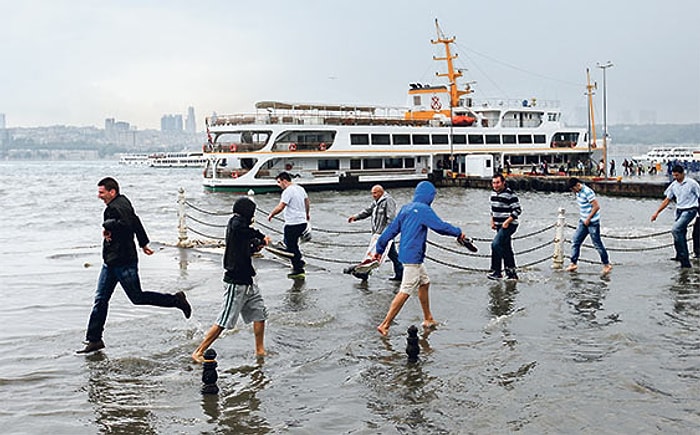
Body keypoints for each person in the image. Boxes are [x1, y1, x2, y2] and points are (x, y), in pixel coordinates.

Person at [77, 177, 191, 354]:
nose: (98, 196)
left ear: (112, 192)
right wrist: (143, 243)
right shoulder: (121, 202)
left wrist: (108, 225)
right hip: (110, 262)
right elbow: (136, 221)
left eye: (101, 192)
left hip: (123, 261)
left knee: (137, 297)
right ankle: (94, 339)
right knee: (100, 299)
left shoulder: (117, 206)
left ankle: (176, 300)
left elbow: (128, 224)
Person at [372, 181, 467, 336]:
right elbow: (440, 227)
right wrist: (458, 232)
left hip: (406, 253)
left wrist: (379, 248)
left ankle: (428, 318)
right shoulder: (424, 210)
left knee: (424, 282)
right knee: (405, 290)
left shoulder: (406, 208)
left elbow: (391, 230)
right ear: (429, 196)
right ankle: (385, 324)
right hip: (413, 257)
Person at [192, 197, 270, 362]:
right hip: (235, 282)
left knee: (260, 314)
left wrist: (257, 244)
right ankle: (199, 351)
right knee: (224, 321)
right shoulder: (235, 224)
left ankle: (260, 350)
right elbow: (243, 230)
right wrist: (261, 237)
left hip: (249, 280)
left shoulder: (241, 228)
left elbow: (247, 245)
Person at [347, 185, 403, 281]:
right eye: (372, 193)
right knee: (389, 255)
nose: (373, 195)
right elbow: (367, 211)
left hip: (384, 235)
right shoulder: (376, 202)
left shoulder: (388, 201)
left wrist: (388, 234)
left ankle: (364, 272)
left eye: (375, 193)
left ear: (381, 192)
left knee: (377, 255)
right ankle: (400, 274)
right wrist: (356, 217)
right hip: (377, 234)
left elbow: (391, 218)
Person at [651, 164, 700, 269]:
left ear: (683, 174)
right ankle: (679, 256)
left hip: (690, 210)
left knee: (676, 230)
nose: (675, 178)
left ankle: (685, 261)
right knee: (680, 233)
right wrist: (657, 213)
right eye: (674, 176)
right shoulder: (674, 185)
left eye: (677, 175)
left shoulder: (692, 184)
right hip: (679, 210)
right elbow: (667, 200)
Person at [565, 178, 613, 274]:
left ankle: (607, 264)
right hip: (583, 221)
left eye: (573, 189)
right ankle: (573, 263)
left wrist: (589, 218)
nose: (573, 191)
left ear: (577, 185)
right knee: (575, 241)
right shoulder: (578, 192)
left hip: (592, 222)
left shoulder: (587, 191)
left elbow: (596, 206)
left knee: (597, 244)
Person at [268, 171, 310, 279]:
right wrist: (307, 214)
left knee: (290, 246)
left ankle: (298, 269)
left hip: (292, 222)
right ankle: (299, 261)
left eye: (279, 182)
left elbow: (281, 206)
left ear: (284, 180)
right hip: (302, 221)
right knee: (292, 244)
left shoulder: (288, 191)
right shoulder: (300, 188)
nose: (279, 185)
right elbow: (307, 202)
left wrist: (272, 214)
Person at [488, 173, 522, 280]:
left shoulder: (510, 194)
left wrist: (507, 221)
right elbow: (492, 209)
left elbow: (517, 210)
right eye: (494, 183)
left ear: (503, 183)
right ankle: (511, 272)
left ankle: (496, 271)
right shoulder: (493, 194)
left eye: (498, 182)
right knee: (506, 248)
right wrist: (492, 220)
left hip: (509, 225)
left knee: (495, 244)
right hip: (499, 225)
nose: (496, 185)